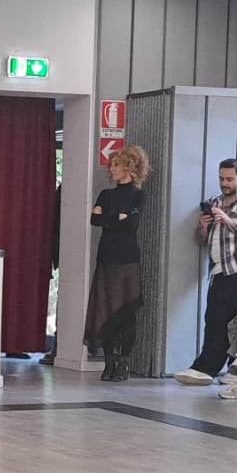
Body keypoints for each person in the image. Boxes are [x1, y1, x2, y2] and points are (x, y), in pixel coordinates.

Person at [175, 159, 237, 387]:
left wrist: (229, 221)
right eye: (221, 178)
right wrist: (203, 226)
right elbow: (201, 240)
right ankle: (205, 367)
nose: (224, 183)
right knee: (215, 320)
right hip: (220, 269)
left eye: (229, 179)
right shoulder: (213, 202)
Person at [87, 147, 149, 381]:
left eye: (116, 164)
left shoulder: (138, 196)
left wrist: (109, 218)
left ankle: (123, 362)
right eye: (111, 165)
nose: (111, 169)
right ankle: (109, 362)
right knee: (105, 308)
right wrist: (118, 217)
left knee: (127, 310)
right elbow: (95, 219)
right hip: (107, 256)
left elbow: (131, 224)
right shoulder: (106, 194)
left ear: (129, 167)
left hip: (128, 258)